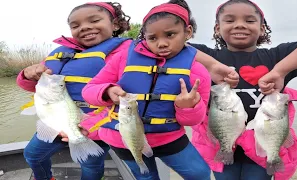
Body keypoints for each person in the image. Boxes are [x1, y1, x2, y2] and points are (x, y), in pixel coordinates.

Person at [78, 0, 231, 179]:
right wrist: (108, 91)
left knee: (200, 173)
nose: (162, 43)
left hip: (169, 138)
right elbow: (89, 90)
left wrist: (188, 106)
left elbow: (193, 121)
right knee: (146, 177)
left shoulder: (198, 71)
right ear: (145, 37)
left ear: (188, 32)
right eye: (153, 38)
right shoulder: (123, 58)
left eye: (170, 35)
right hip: (122, 139)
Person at [188, 0, 297, 180]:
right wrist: (210, 65)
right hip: (221, 145)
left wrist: (280, 70)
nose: (239, 24)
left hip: (263, 149)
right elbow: (168, 46)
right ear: (217, 29)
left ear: (262, 29)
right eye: (229, 20)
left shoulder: (276, 57)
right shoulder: (209, 57)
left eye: (250, 20)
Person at [16, 2, 131, 180]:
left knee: (91, 165)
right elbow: (35, 87)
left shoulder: (128, 53)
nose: (84, 27)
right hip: (54, 120)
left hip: (96, 127)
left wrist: (89, 129)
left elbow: (128, 100)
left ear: (115, 24)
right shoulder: (60, 53)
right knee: (33, 155)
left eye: (94, 20)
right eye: (75, 25)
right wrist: (27, 74)